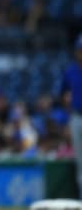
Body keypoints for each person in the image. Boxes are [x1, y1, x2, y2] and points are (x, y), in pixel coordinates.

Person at [61, 34, 82, 198]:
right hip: (76, 117)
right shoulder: (71, 71)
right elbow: (63, 95)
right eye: (79, 49)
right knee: (80, 161)